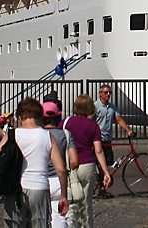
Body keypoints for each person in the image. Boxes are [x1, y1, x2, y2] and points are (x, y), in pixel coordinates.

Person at [0, 98, 69, 228]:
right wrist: (63, 195)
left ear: (19, 116)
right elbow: (61, 170)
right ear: (39, 116)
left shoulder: (12, 135)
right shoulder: (48, 136)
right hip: (40, 188)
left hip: (16, 189)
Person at [63, 95, 111, 228]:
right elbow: (98, 150)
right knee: (86, 203)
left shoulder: (66, 122)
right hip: (87, 165)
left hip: (70, 165)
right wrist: (105, 172)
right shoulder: (93, 126)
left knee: (71, 202)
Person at [43, 102, 78, 228]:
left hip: (40, 180)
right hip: (59, 181)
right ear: (58, 117)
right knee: (60, 218)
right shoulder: (65, 134)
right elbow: (74, 161)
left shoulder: (38, 135)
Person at [93, 86, 132, 200]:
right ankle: (99, 186)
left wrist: (128, 130)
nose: (108, 94)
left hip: (107, 139)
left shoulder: (112, 107)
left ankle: (103, 188)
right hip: (97, 140)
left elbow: (119, 119)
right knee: (99, 163)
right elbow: (90, 120)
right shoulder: (95, 106)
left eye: (109, 92)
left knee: (108, 163)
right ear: (100, 93)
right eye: (105, 92)